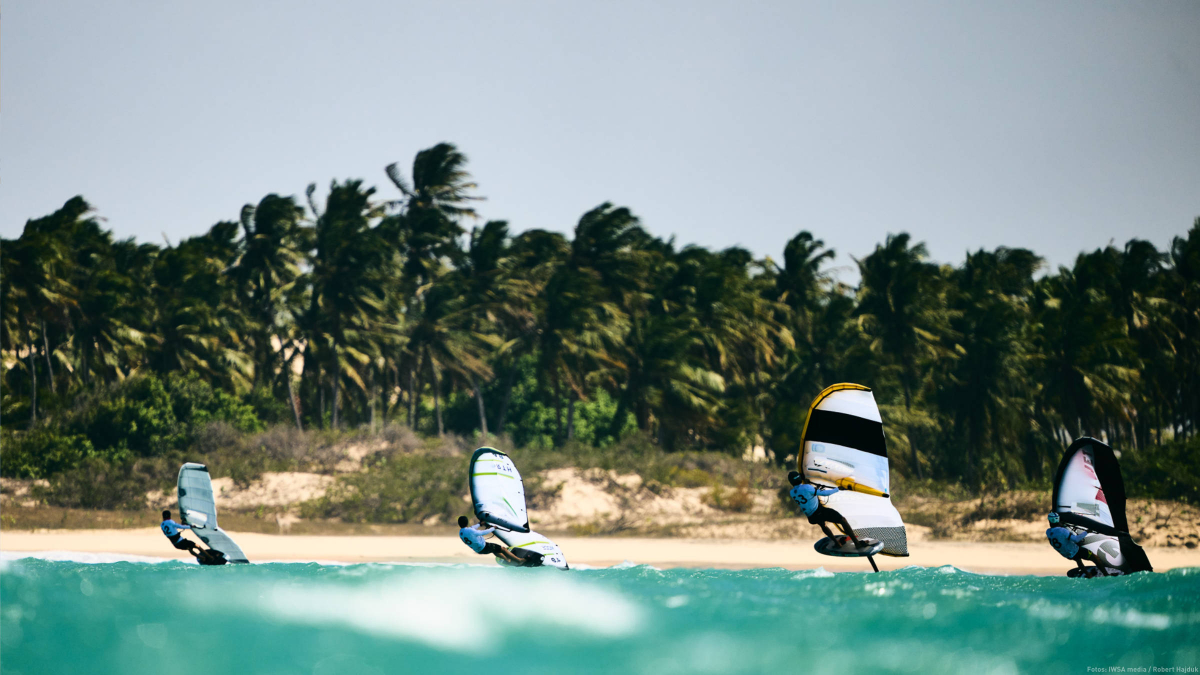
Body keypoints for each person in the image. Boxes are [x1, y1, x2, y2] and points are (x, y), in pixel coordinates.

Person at [788, 471, 864, 547]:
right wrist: (838, 489)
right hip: (819, 512)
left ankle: (837, 543)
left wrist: (809, 485)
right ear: (800, 478)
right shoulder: (807, 487)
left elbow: (806, 493)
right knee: (842, 520)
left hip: (811, 517)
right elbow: (824, 493)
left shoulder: (792, 492)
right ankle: (857, 543)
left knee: (823, 525)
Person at [457, 516, 530, 565]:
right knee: (503, 549)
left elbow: (472, 528)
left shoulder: (461, 532)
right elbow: (482, 532)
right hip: (484, 547)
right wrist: (493, 528)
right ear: (467, 522)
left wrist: (479, 524)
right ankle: (519, 560)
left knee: (494, 550)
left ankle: (507, 560)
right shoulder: (470, 531)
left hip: (478, 550)